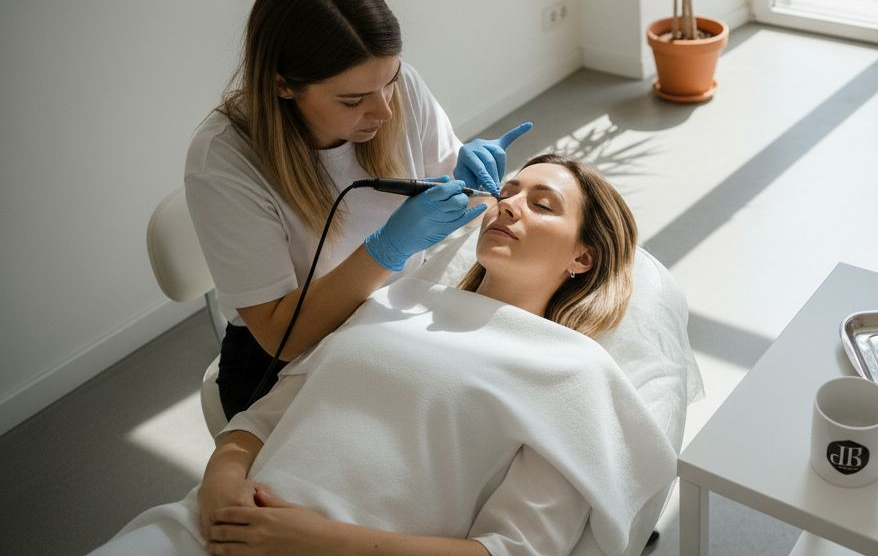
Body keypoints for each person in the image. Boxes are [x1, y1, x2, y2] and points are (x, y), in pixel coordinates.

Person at [91, 154, 661, 556]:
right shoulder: (394, 298)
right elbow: (260, 420)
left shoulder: (573, 371)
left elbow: (511, 552)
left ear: (582, 258)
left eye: (542, 204)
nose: (510, 206)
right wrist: (219, 488)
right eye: (508, 192)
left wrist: (317, 543)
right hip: (213, 528)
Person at [185, 0, 531, 419]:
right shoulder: (223, 163)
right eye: (353, 100)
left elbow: (454, 186)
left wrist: (468, 182)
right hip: (283, 358)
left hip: (389, 314)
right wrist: (386, 249)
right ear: (283, 85)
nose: (385, 111)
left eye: (390, 82)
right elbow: (280, 337)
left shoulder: (394, 87)